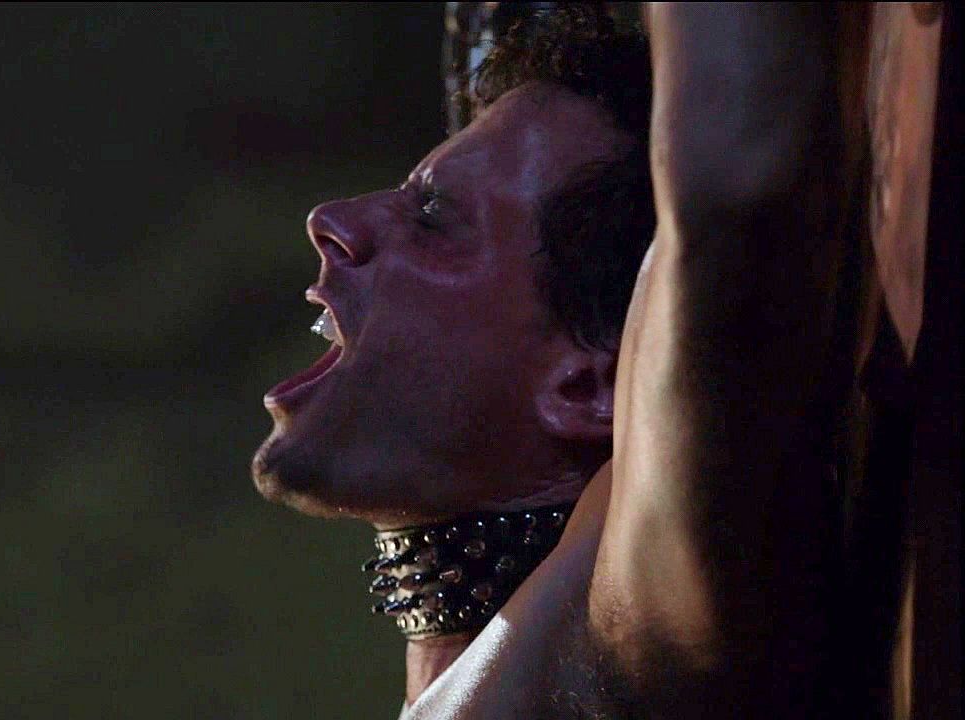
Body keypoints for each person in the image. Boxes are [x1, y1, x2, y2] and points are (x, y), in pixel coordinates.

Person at [255, 3, 950, 717]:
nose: (331, 220)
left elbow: (738, 184)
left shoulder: (624, 622)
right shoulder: (524, 661)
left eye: (432, 219)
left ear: (592, 384)